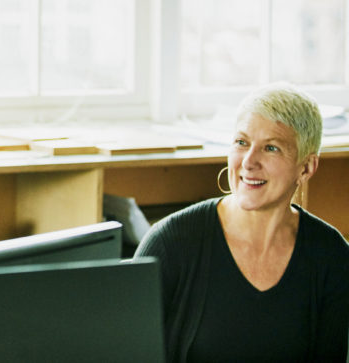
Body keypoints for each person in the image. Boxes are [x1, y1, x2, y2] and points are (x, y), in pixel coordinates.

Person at [135, 83, 349, 362]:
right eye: (241, 143)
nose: (249, 162)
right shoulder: (170, 244)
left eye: (271, 148)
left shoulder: (331, 256)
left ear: (306, 167)